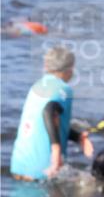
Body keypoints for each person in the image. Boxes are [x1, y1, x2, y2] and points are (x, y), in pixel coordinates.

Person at [10, 46, 94, 180]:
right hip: (44, 170)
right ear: (69, 69)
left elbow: (49, 122)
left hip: (18, 166)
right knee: (90, 187)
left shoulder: (36, 86)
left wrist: (78, 137)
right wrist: (56, 152)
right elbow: (48, 111)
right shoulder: (63, 89)